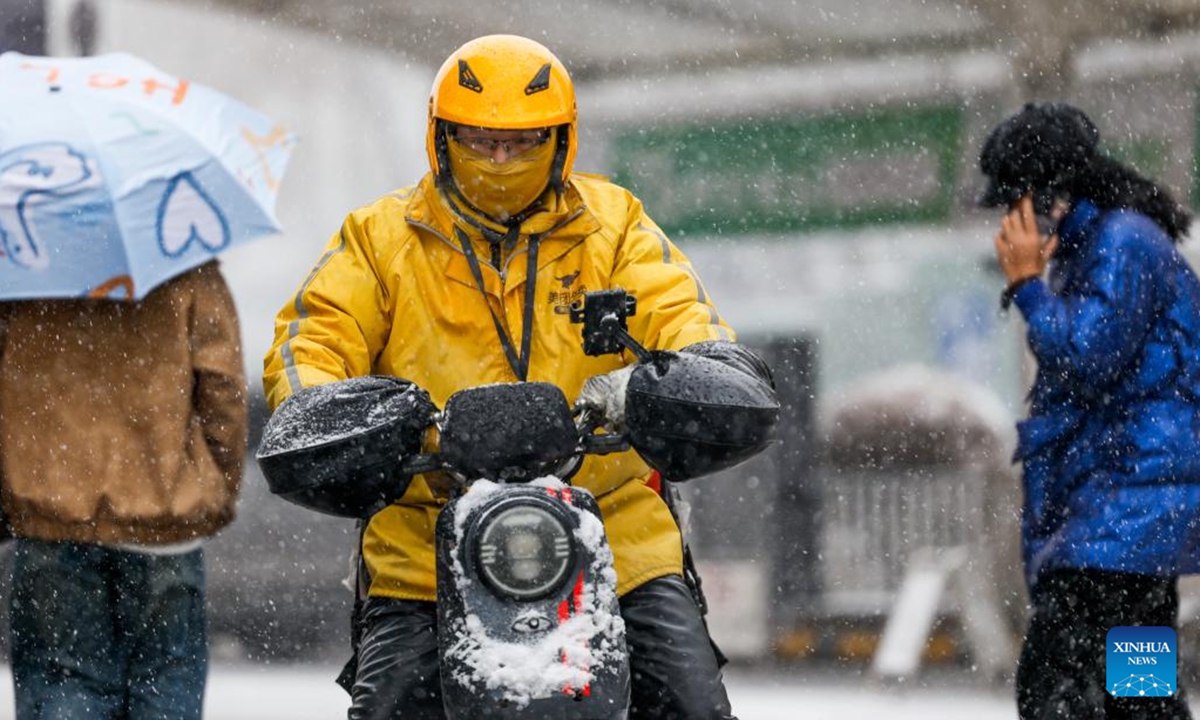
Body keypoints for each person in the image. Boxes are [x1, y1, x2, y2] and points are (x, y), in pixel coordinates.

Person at [263, 34, 775, 720]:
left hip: (616, 535)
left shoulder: (615, 225)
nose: (500, 160)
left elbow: (688, 321)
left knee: (694, 706)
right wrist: (328, 411)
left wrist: (679, 379)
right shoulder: (379, 236)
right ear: (441, 139)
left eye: (522, 142)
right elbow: (311, 341)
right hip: (424, 541)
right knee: (386, 708)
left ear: (560, 142)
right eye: (480, 140)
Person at [983, 101, 1200, 719]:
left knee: (1059, 687)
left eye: (1011, 201)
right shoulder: (1103, 245)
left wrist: (1026, 284)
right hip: (1132, 524)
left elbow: (1086, 357)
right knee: (1138, 694)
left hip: (1120, 522)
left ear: (1047, 194)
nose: (1006, 219)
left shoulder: (1121, 244)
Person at [0, 260, 247, 720]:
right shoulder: (184, 261)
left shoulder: (23, 263)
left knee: (64, 685)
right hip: (165, 520)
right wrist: (213, 488)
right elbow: (223, 389)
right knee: (166, 683)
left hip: (52, 515)